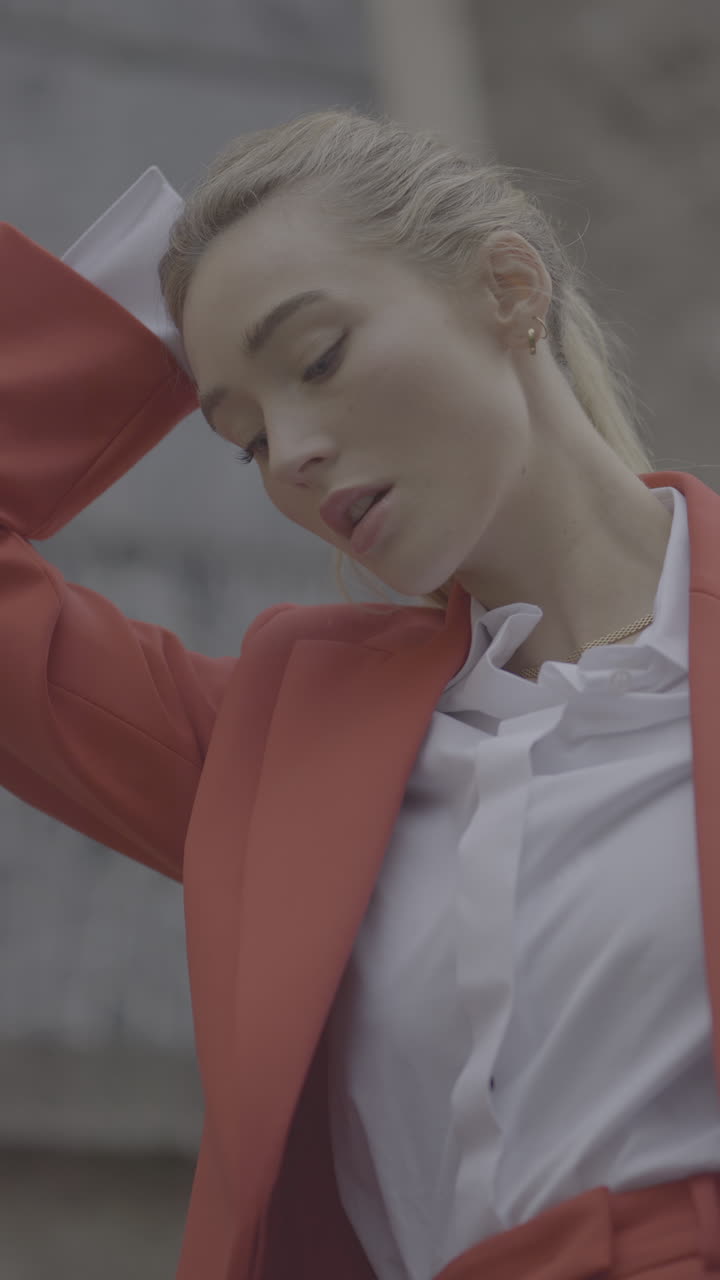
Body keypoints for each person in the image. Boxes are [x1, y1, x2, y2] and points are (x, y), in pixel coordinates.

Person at [2, 106, 720, 1280]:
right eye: (245, 437)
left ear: (507, 289)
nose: (289, 453)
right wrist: (141, 314)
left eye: (318, 359)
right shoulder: (274, 750)